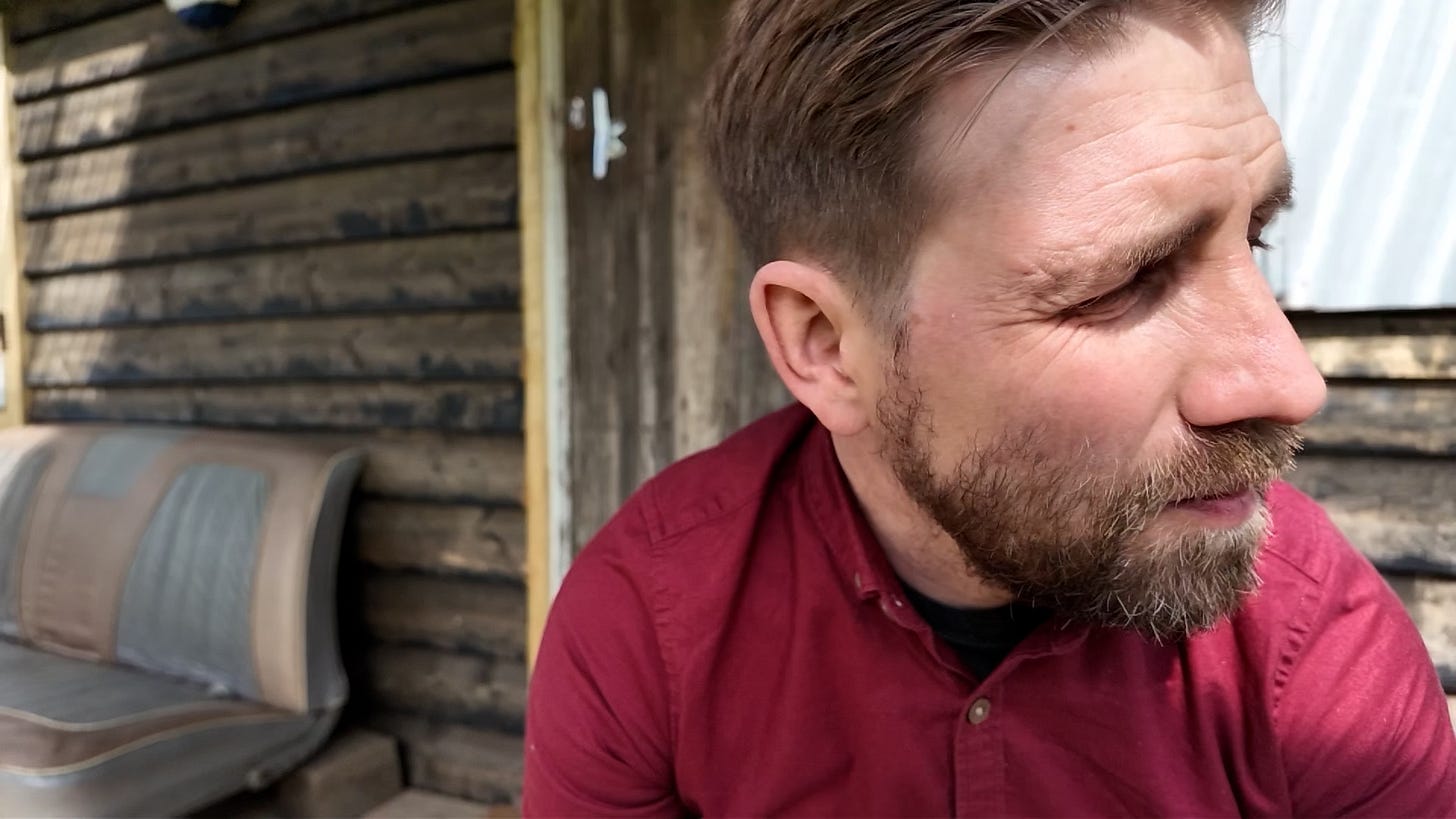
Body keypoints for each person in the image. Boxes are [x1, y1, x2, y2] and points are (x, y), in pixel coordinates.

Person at [524, 0, 1456, 814]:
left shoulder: (1318, 643)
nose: (1290, 381)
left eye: (1255, 235)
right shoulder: (649, 625)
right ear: (826, 343)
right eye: (1122, 281)